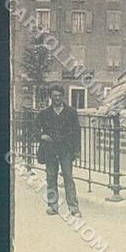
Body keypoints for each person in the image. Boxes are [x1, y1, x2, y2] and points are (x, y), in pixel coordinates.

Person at [35, 84, 81, 216]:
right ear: (51, 97)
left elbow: (77, 131)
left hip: (66, 150)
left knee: (68, 178)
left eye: (60, 96)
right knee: (51, 178)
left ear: (63, 97)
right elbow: (35, 128)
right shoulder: (44, 113)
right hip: (50, 150)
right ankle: (53, 206)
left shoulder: (71, 112)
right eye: (55, 96)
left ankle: (74, 208)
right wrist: (41, 135)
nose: (57, 98)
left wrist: (77, 150)